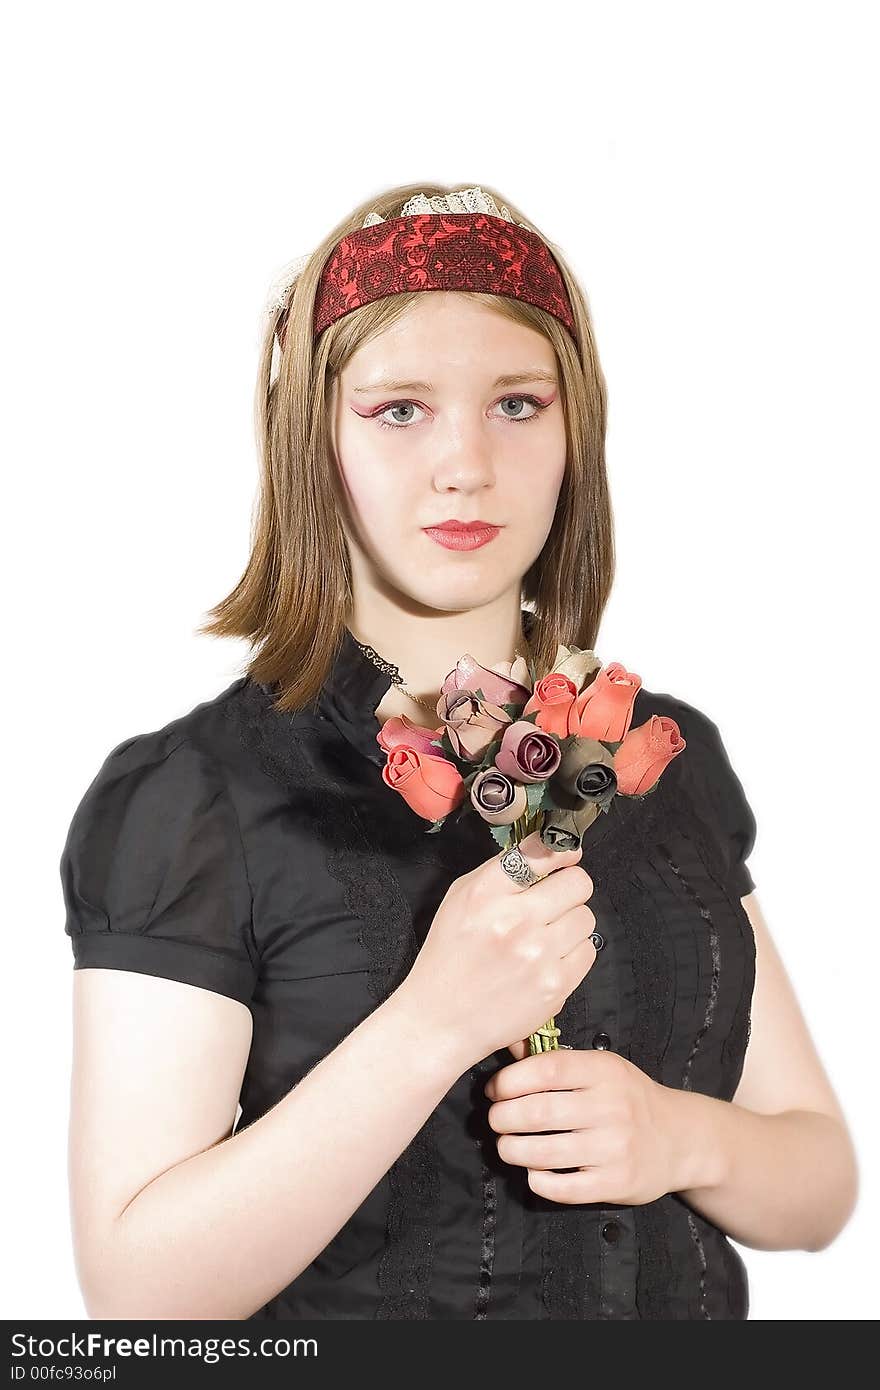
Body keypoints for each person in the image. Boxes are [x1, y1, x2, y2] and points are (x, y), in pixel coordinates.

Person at [59, 183, 857, 1322]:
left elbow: (818, 1183)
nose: (466, 464)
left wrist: (678, 1134)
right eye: (398, 410)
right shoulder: (194, 796)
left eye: (518, 404)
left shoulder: (651, 748)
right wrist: (432, 1022)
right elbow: (138, 1299)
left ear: (575, 428)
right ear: (312, 439)